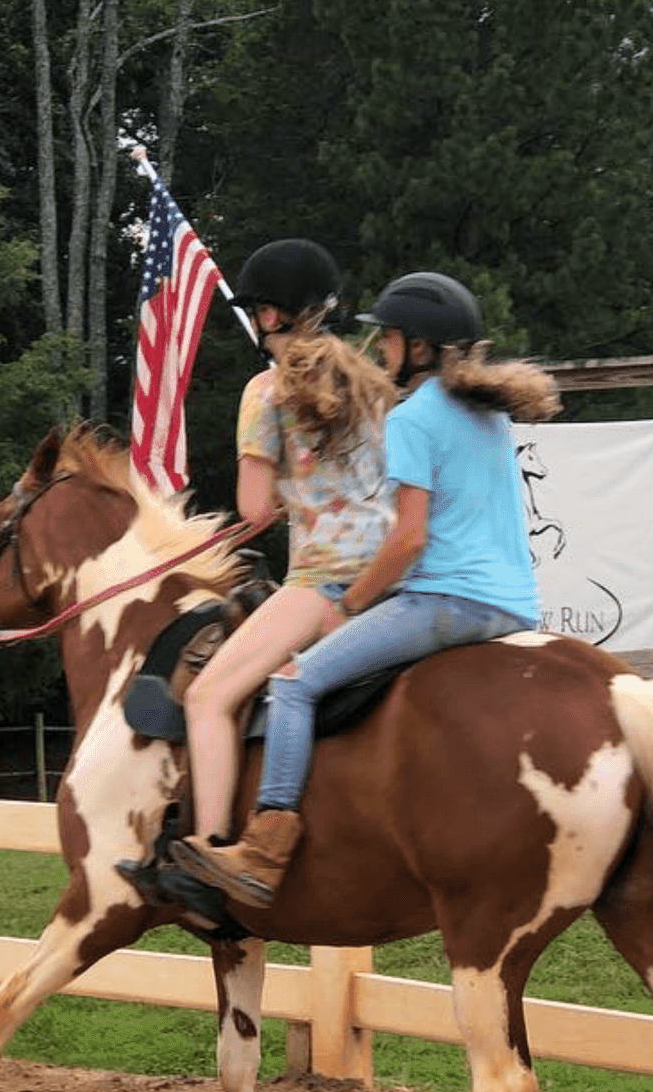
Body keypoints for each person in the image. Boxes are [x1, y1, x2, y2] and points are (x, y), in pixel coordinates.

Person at [173, 271, 561, 908]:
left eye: (389, 338)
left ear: (420, 346)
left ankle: (251, 851)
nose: (380, 348)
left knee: (280, 686)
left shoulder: (405, 416)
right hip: (514, 602)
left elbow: (401, 539)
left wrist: (346, 606)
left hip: (418, 593)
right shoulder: (475, 415)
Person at [170, 239, 398, 869]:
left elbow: (255, 511)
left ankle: (212, 847)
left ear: (270, 316)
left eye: (258, 312)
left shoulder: (265, 392)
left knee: (208, 698)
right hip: (392, 582)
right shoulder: (374, 382)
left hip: (322, 584)